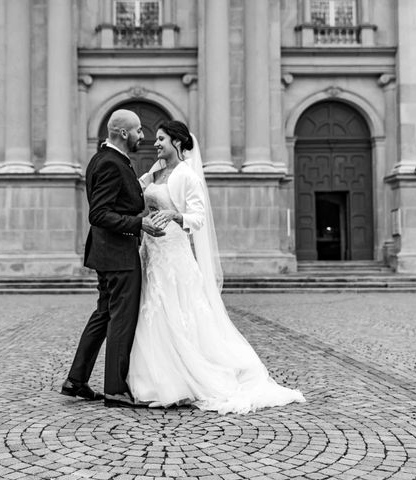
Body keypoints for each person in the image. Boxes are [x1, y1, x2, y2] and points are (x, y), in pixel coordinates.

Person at [126, 120, 306, 414]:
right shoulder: (156, 171)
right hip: (152, 250)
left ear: (178, 142)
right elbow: (136, 191)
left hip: (173, 253)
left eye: (161, 139)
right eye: (156, 139)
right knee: (152, 309)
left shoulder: (187, 176)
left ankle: (180, 380)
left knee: (175, 311)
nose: (155, 143)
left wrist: (174, 214)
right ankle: (152, 379)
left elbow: (198, 218)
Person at [60, 109, 165, 407]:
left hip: (107, 252)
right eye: (138, 131)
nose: (142, 137)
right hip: (118, 254)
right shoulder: (110, 163)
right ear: (122, 133)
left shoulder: (104, 159)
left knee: (103, 314)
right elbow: (99, 214)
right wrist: (139, 223)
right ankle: (116, 390)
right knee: (121, 319)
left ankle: (75, 380)